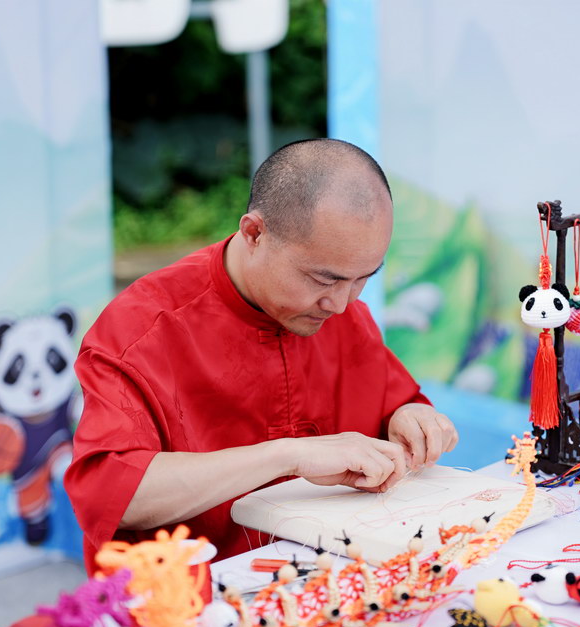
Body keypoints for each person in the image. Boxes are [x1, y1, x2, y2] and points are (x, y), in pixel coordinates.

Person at [65, 139, 458, 571]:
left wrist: (410, 417)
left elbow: (395, 403)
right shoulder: (141, 331)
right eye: (322, 279)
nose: (341, 304)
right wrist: (288, 455)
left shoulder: (345, 315)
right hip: (191, 595)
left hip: (332, 579)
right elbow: (111, 496)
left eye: (363, 278)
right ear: (254, 233)